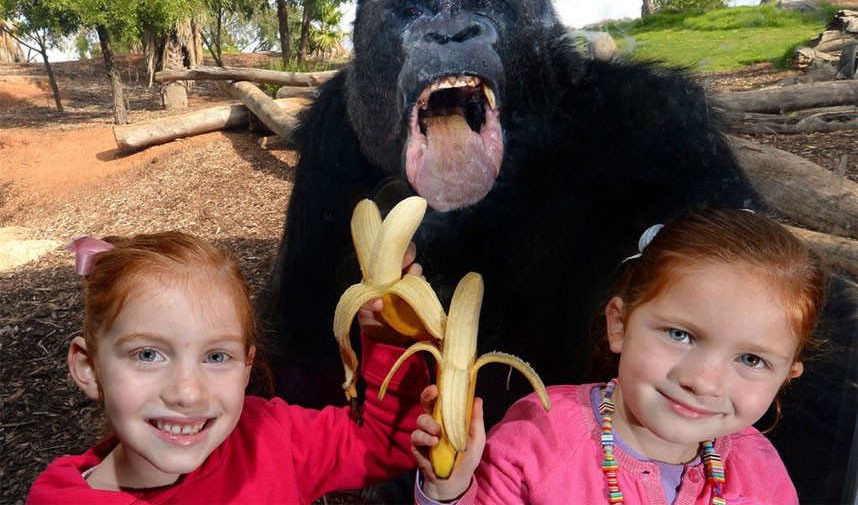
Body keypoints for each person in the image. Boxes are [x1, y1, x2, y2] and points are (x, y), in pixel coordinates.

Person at [411, 209, 826, 505]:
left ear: (787, 376)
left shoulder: (760, 471)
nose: (704, 381)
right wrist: (449, 490)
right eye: (680, 335)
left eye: (752, 360)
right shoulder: (538, 437)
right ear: (620, 325)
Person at [27, 231, 429, 504]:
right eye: (147, 355)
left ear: (247, 364)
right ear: (89, 367)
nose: (187, 393)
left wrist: (389, 339)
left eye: (217, 357)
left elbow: (385, 440)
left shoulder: (272, 439)